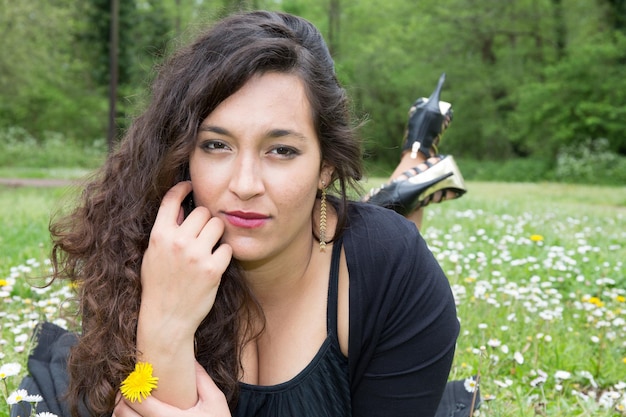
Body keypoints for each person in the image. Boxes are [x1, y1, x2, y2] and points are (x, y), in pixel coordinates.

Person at [39, 10, 460, 417]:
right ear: (183, 154)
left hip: (372, 255)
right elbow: (142, 393)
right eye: (216, 145)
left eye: (281, 150)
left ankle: (412, 165)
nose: (244, 184)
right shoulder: (142, 252)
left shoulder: (394, 272)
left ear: (325, 167)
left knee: (383, 237)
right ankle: (414, 164)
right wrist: (163, 324)